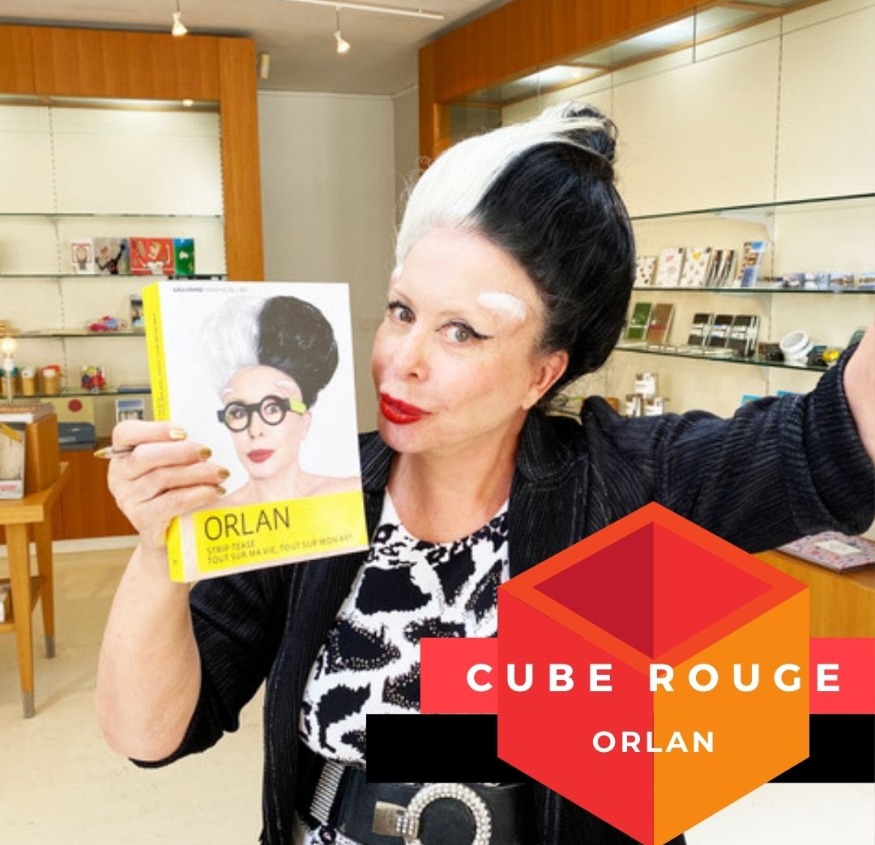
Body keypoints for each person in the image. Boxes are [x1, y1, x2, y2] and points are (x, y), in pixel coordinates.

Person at [96, 102, 875, 845]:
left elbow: (831, 436)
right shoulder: (314, 493)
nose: (402, 361)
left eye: (461, 332)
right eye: (401, 311)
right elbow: (149, 733)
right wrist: (160, 553)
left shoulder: (625, 484)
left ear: (542, 372)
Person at [200, 294, 360, 506]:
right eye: (238, 413)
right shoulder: (203, 518)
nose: (255, 430)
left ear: (305, 422)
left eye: (273, 408)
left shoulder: (351, 496)